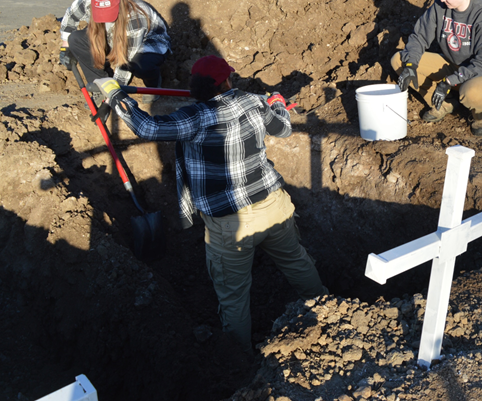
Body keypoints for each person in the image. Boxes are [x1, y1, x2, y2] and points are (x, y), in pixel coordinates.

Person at [91, 56, 327, 351]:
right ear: (226, 81)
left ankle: (239, 359)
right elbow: (283, 129)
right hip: (274, 205)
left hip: (230, 224)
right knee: (296, 261)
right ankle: (327, 312)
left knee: (234, 297)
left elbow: (147, 128)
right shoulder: (253, 101)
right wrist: (276, 101)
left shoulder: (195, 117)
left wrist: (114, 93)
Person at [392, 0, 482, 136]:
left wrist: (449, 81)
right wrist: (410, 65)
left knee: (472, 92)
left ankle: (480, 116)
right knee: (399, 60)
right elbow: (420, 36)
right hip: (453, 64)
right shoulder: (440, 7)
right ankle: (443, 105)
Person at [58, 0, 170, 97]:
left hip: (149, 42)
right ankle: (99, 86)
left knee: (141, 64)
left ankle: (153, 86)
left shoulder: (135, 18)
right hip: (112, 34)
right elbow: (71, 15)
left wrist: (113, 95)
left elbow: (124, 64)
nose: (105, 18)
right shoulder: (91, 0)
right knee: (76, 39)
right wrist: (65, 47)